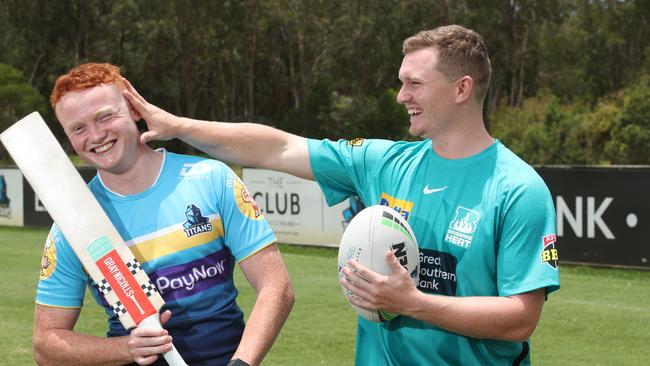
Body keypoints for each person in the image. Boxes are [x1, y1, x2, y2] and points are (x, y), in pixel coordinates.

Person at [123, 24, 560, 365]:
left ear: (462, 88)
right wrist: (180, 127)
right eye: (401, 82)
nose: (401, 96)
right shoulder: (381, 162)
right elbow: (279, 146)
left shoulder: (518, 189)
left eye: (415, 84)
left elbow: (521, 318)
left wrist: (413, 304)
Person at [33, 63, 295, 366]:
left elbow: (277, 287)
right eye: (78, 128)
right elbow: (46, 345)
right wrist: (126, 348)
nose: (95, 135)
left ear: (133, 109)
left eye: (105, 116)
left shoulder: (211, 179)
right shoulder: (73, 223)